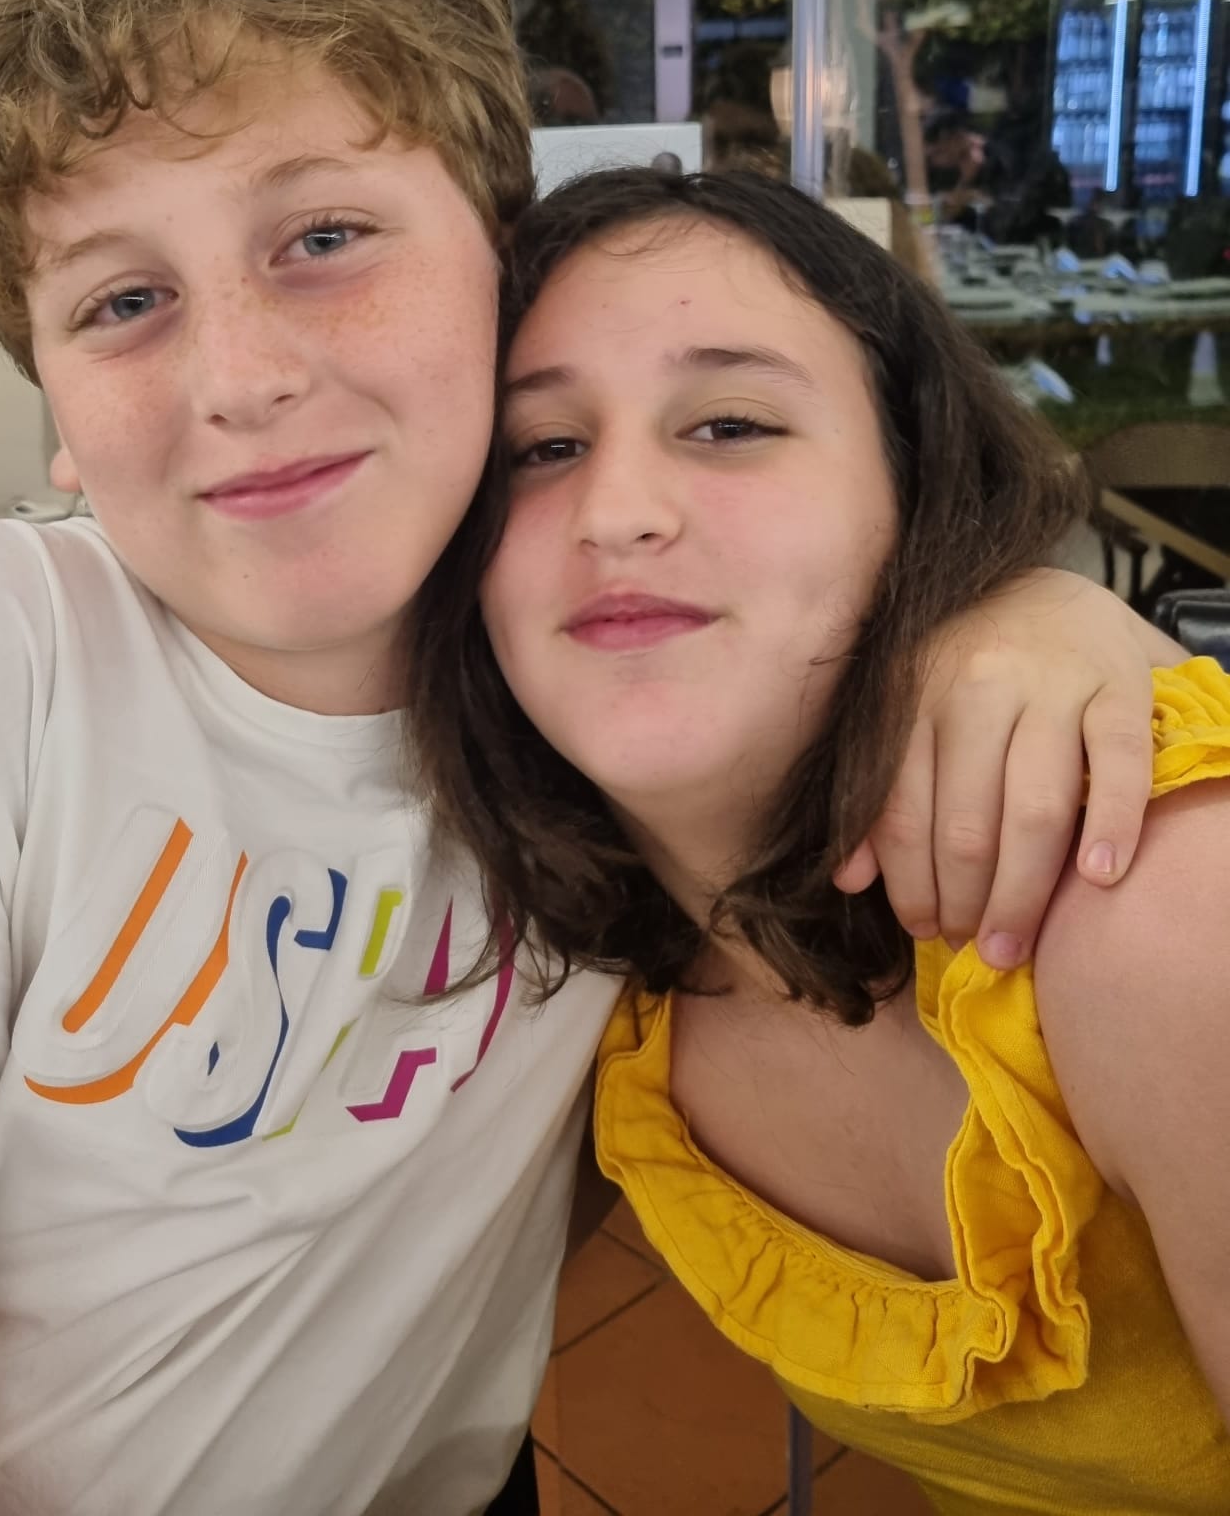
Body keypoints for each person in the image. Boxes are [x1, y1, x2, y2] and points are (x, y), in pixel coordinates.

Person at [0, 0, 1169, 1516]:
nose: (243, 375)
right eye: (122, 302)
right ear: (55, 404)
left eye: (325, 236)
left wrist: (1031, 614)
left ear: (503, 269)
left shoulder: (595, 700)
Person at [413, 164, 1230, 1515]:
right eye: (540, 449)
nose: (619, 511)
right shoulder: (583, 993)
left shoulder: (1142, 892)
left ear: (913, 482)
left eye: (731, 424)